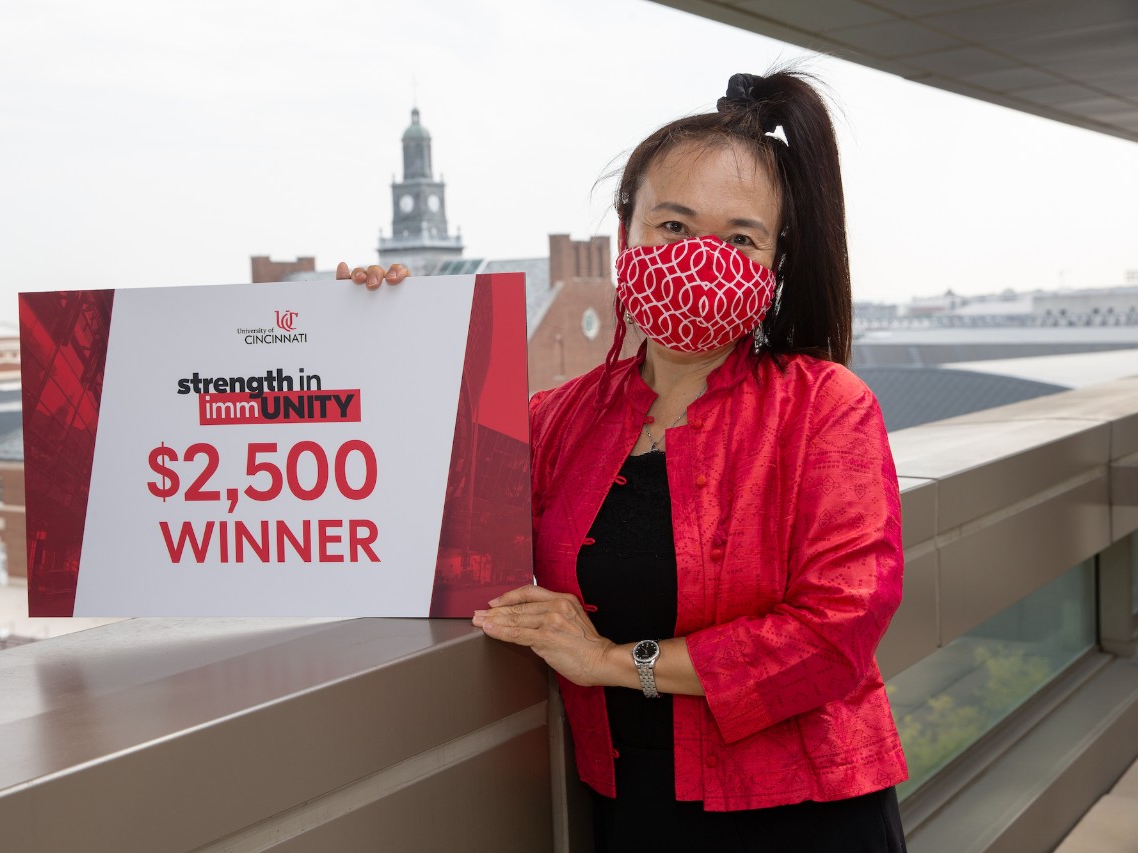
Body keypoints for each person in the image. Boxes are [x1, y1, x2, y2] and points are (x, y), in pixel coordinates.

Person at [342, 70, 907, 852]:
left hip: (803, 817)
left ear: (777, 261)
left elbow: (834, 633)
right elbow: (412, 524)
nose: (700, 260)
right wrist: (374, 333)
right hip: (627, 815)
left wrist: (611, 660)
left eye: (740, 238)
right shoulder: (556, 420)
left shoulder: (824, 408)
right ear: (626, 230)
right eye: (673, 226)